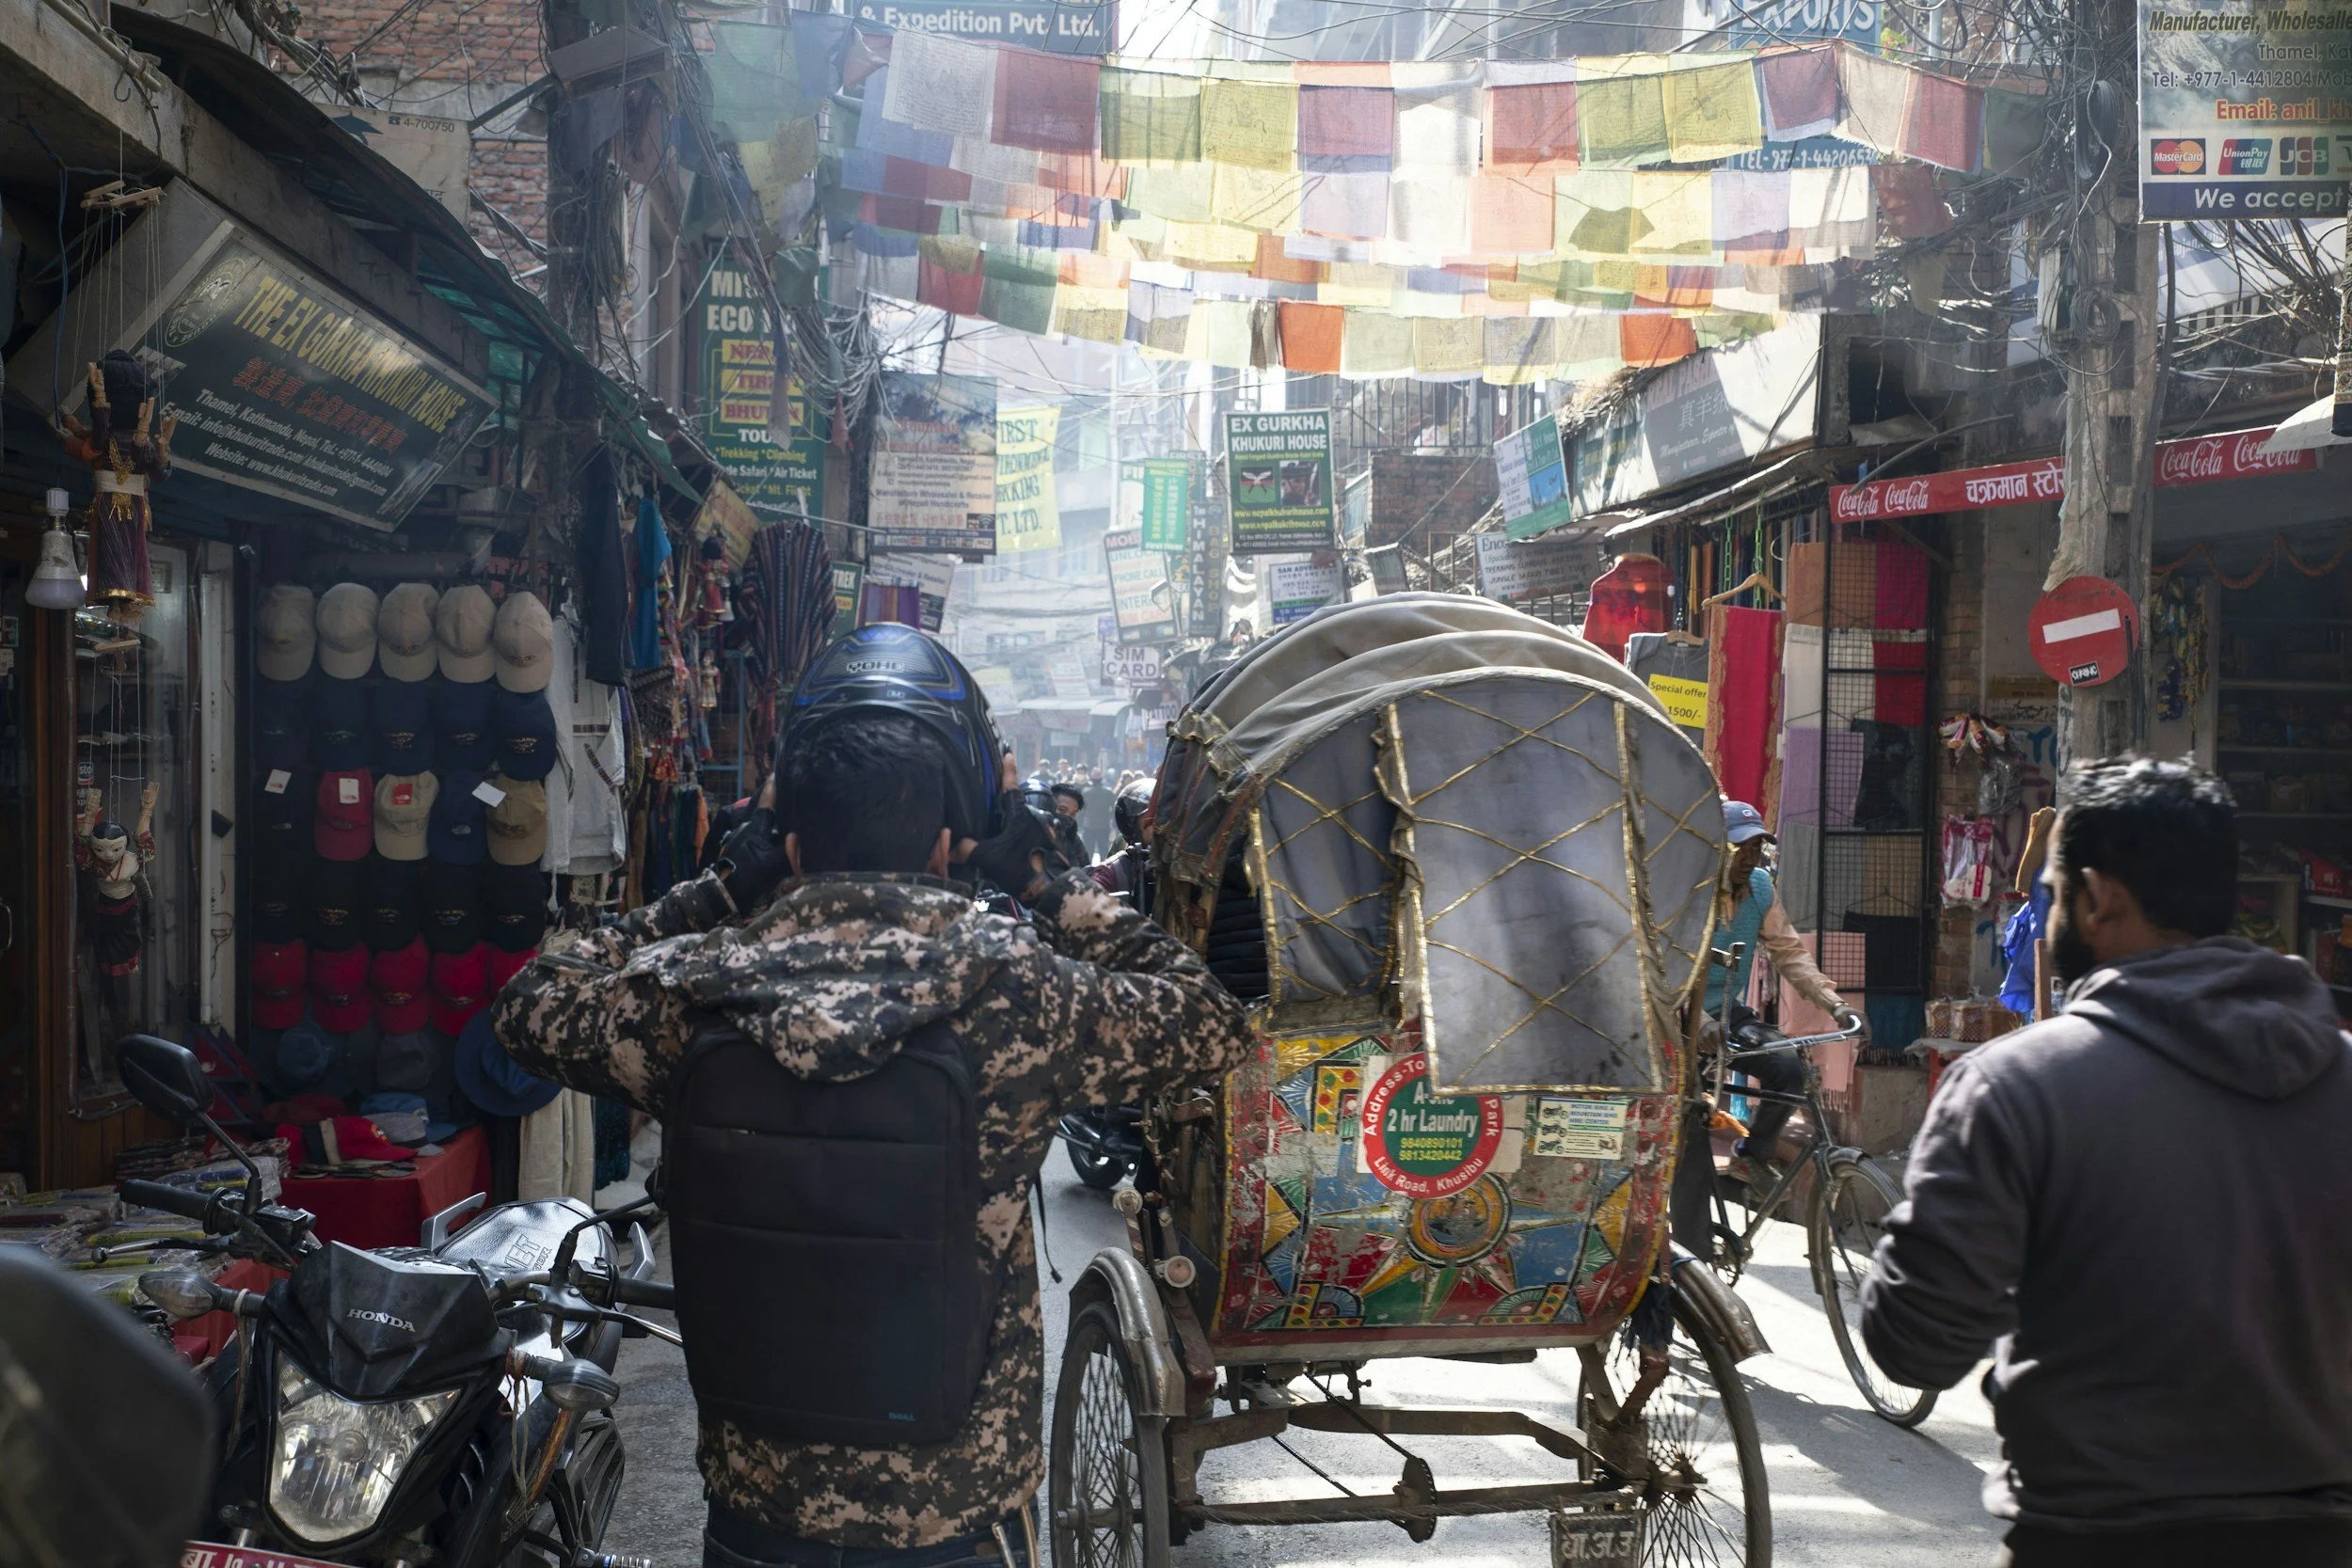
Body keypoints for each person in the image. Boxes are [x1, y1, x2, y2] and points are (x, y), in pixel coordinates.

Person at [492, 646, 1255, 1568]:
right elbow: (1212, 1021)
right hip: (955, 1517)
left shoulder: (697, 990)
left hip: (757, 1511)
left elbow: (532, 1000)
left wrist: (720, 886)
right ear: (946, 842)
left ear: (794, 843)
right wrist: (1044, 882)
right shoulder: (1016, 992)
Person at [1862, 757, 2352, 1567]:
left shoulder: (2014, 1089)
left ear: (2097, 896)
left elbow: (1914, 1341)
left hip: (2094, 1538)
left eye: (2052, 889)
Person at [1671, 800, 1854, 1256]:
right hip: (1675, 1016)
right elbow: (1667, 968)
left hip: (1726, 1011)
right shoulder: (1688, 891)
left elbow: (1789, 953)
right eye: (1740, 848)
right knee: (1691, 1126)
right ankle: (1692, 1258)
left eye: (1756, 848)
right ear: (1716, 848)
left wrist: (1835, 1004)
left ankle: (1752, 1157)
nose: (1749, 858)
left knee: (1788, 1067)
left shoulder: (1758, 887)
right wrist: (1702, 1022)